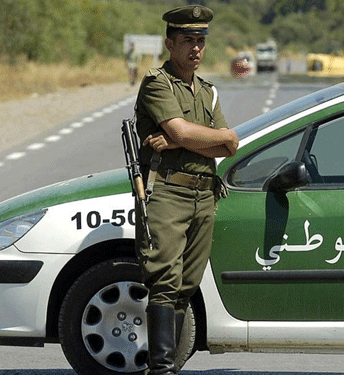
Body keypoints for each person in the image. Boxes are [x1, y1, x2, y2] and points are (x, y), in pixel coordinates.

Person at [133, 5, 239, 375]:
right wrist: (206, 138)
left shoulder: (207, 92)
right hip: (167, 193)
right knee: (165, 280)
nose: (195, 49)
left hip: (204, 193)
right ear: (170, 43)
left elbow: (228, 146)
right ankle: (161, 369)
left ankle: (170, 366)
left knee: (187, 285)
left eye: (200, 41)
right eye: (187, 41)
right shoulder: (157, 83)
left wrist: (196, 139)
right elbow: (183, 131)